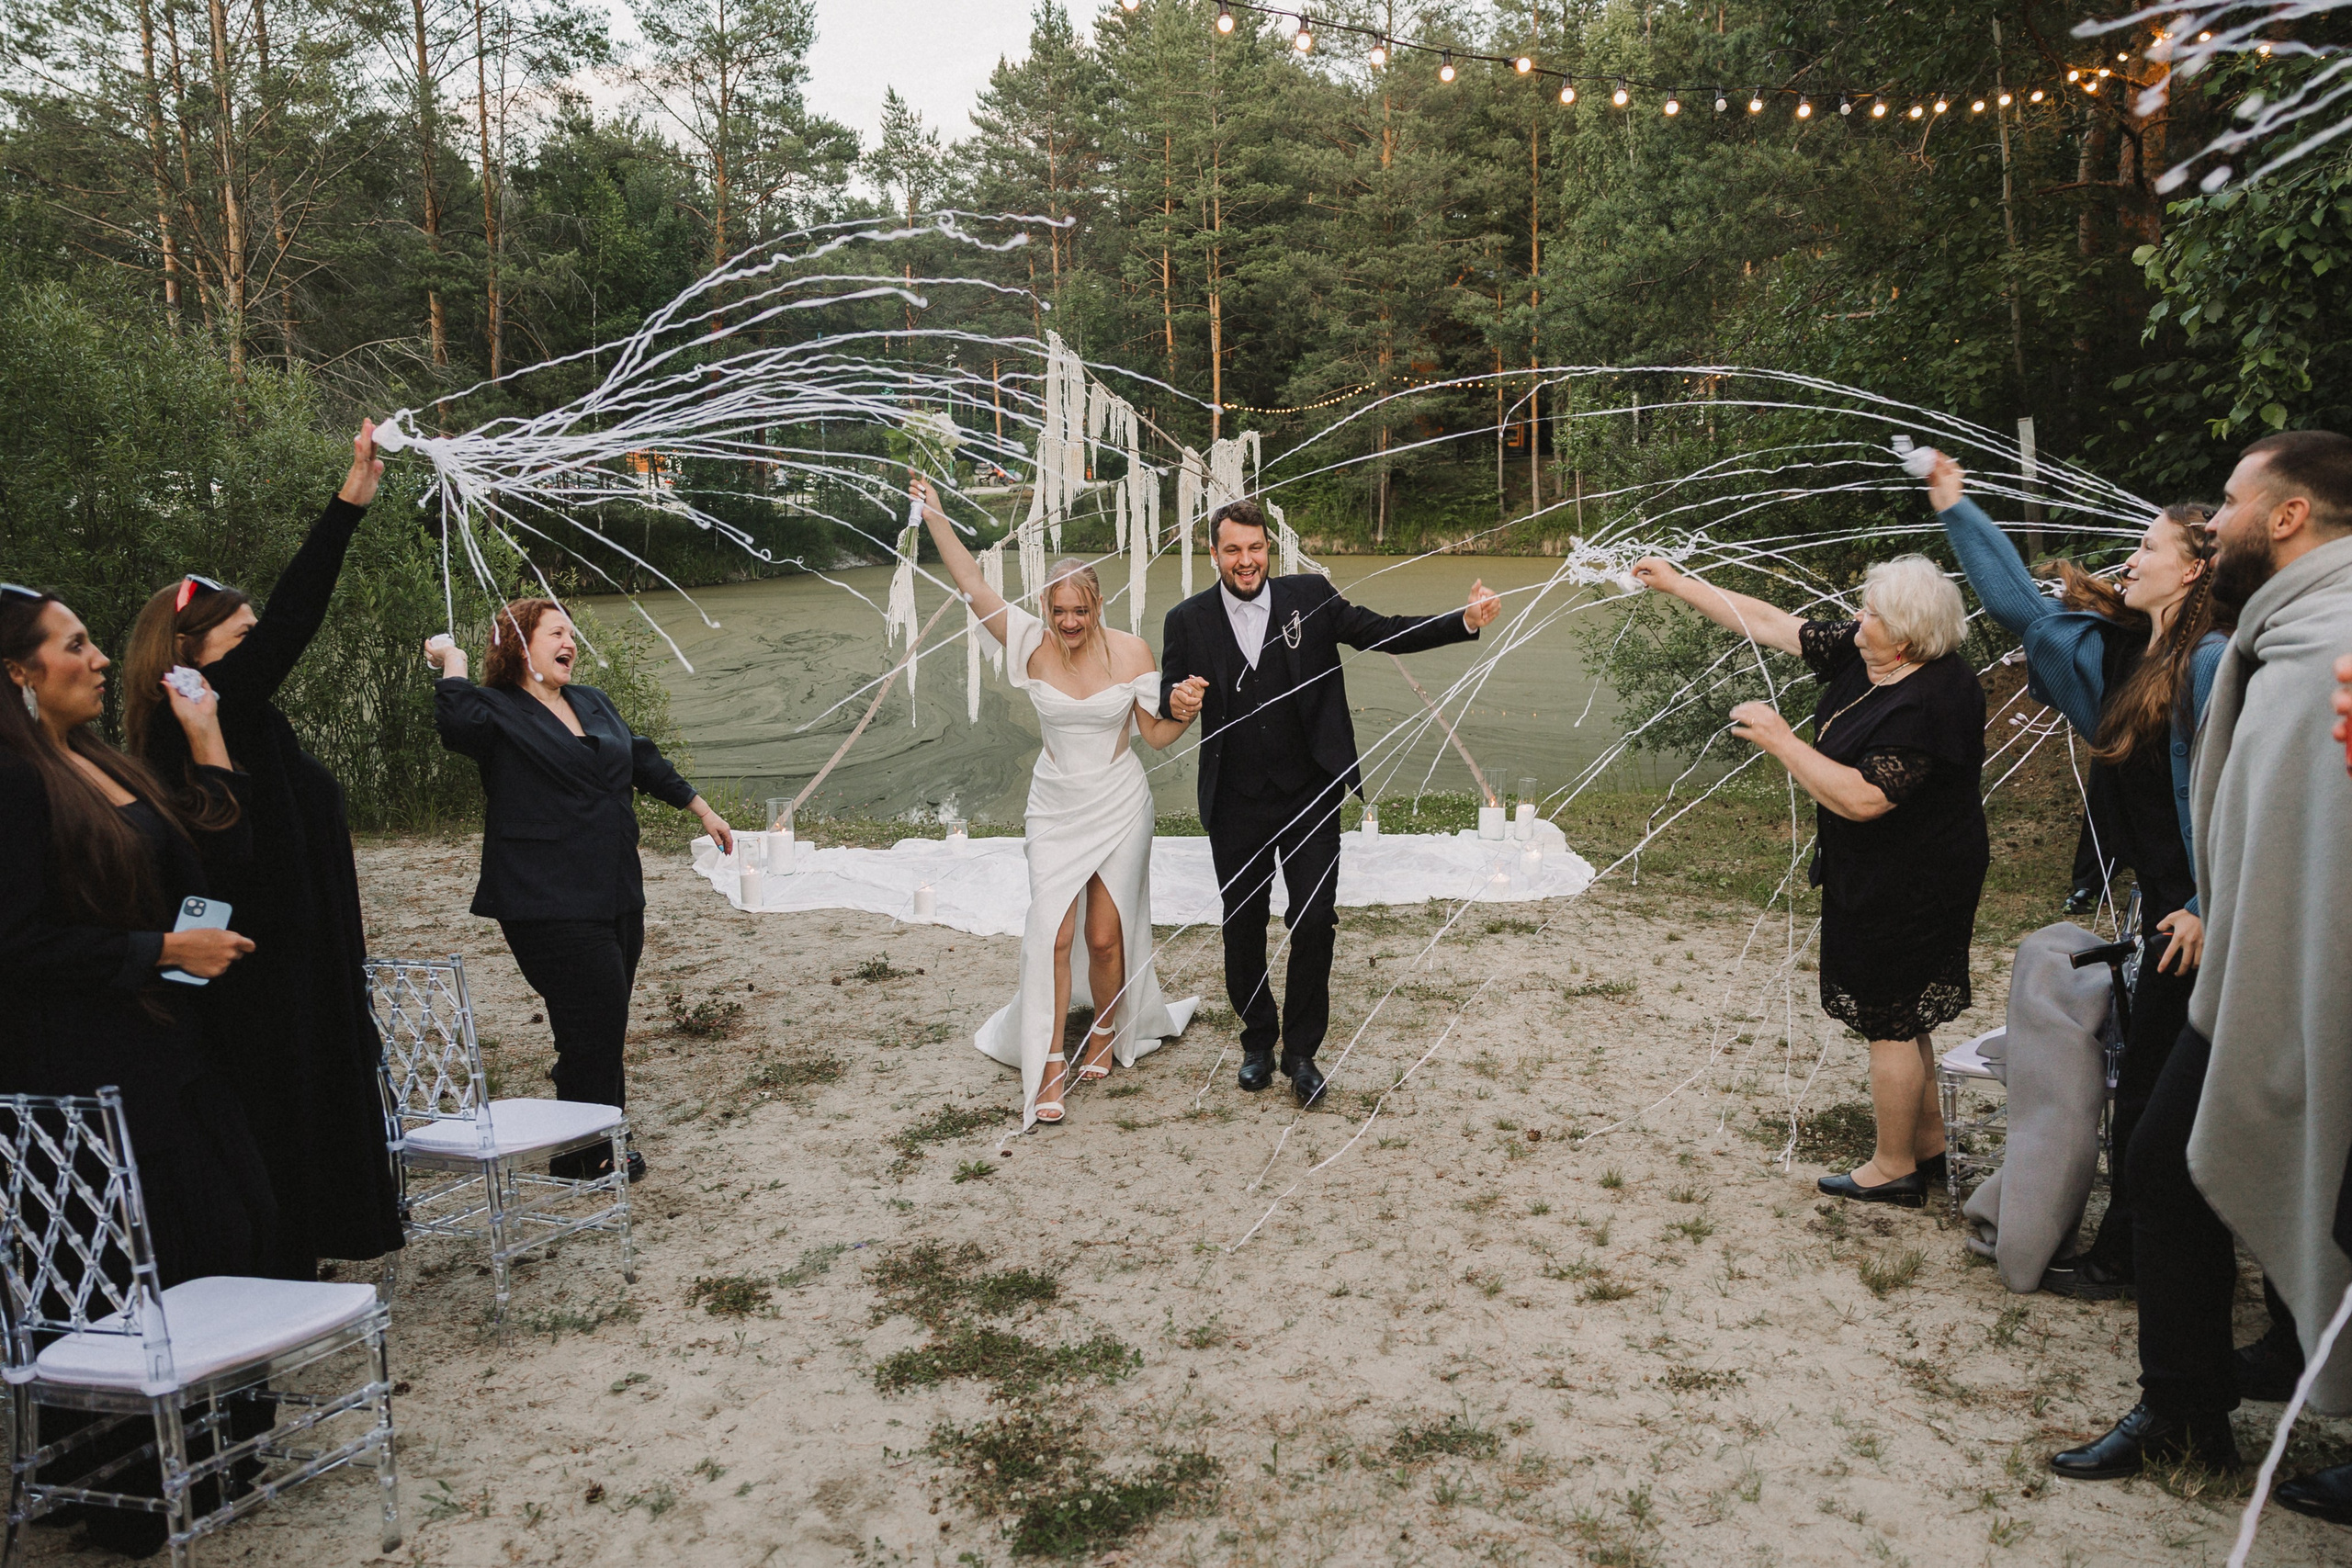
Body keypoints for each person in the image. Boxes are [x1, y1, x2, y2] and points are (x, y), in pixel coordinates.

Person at [2053, 430, 2352, 1486]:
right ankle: (2186, 1411)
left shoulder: (2329, 640)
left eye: (2229, 501)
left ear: (2288, 515)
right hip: (2246, 962)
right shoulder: (2275, 638)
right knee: (2166, 1165)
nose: (2212, 521)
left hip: (2315, 979)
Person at [0, 585, 275, 1555]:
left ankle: (214, 1452)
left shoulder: (96, 758)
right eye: (75, 644)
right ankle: (131, 1482)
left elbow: (222, 868)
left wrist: (206, 739)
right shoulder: (13, 782)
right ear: (18, 672)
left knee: (235, 1225)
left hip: (168, 1047)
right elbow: (16, 943)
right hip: (84, 1072)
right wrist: (157, 950)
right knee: (133, 1266)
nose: (100, 657)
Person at [1929, 464, 2229, 1297]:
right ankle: (2134, 1255)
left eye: (2149, 547)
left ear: (2194, 570)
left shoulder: (2214, 664)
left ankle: (2140, 1262)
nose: (2130, 560)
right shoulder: (2126, 656)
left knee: (2164, 1102)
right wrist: (1955, 504)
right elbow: (2024, 612)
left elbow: (2250, 801)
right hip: (2167, 916)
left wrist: (2206, 904)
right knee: (2150, 1096)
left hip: (2213, 921)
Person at [119, 423, 403, 1283]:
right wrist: (348, 504)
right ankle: (279, 1266)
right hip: (258, 963)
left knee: (313, 1103)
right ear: (186, 656)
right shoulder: (197, 719)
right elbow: (294, 620)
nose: (260, 646)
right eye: (241, 638)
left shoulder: (247, 717)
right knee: (278, 1107)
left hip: (305, 951)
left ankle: (303, 1250)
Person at [1633, 554, 1987, 1208]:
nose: (1857, 618)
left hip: (1915, 878)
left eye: (1871, 613)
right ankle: (1928, 1141)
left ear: (1905, 636)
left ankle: (1893, 1167)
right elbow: (1772, 623)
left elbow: (1864, 798)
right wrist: (1679, 583)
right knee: (1904, 1009)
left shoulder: (1931, 699)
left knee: (1889, 1015)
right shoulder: (1868, 653)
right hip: (1880, 868)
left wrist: (1781, 739)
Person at [1161, 500, 1499, 1108]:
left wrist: (1465, 619)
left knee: (1315, 919)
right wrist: (1178, 700)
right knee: (1242, 926)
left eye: (1256, 547)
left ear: (1269, 549)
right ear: (1214, 554)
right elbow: (1171, 691)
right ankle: (1257, 1041)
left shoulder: (1311, 596)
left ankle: (1301, 1053)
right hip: (1235, 799)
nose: (1246, 560)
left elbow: (1382, 630)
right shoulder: (1187, 620)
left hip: (1311, 791)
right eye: (1233, 550)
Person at [913, 479, 1202, 1127]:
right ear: (1046, 606)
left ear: (1097, 605)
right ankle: (1048, 1061)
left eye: (1080, 611)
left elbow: (1155, 736)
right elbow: (971, 583)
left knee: (1103, 938)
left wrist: (1184, 710)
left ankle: (1103, 1029)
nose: (1069, 623)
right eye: (1059, 610)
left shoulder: (1132, 651)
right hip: (1053, 806)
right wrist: (935, 516)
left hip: (1120, 802)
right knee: (1053, 932)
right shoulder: (1029, 643)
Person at [426, 600, 734, 1181]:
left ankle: (583, 1138)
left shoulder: (591, 701)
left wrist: (700, 807)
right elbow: (457, 724)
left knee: (601, 1020)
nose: (570, 642)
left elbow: (639, 757)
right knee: (595, 1016)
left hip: (615, 886)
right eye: (556, 633)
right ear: (520, 645)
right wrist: (454, 661)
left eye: (572, 633)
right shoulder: (495, 710)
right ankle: (591, 1148)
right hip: (544, 894)